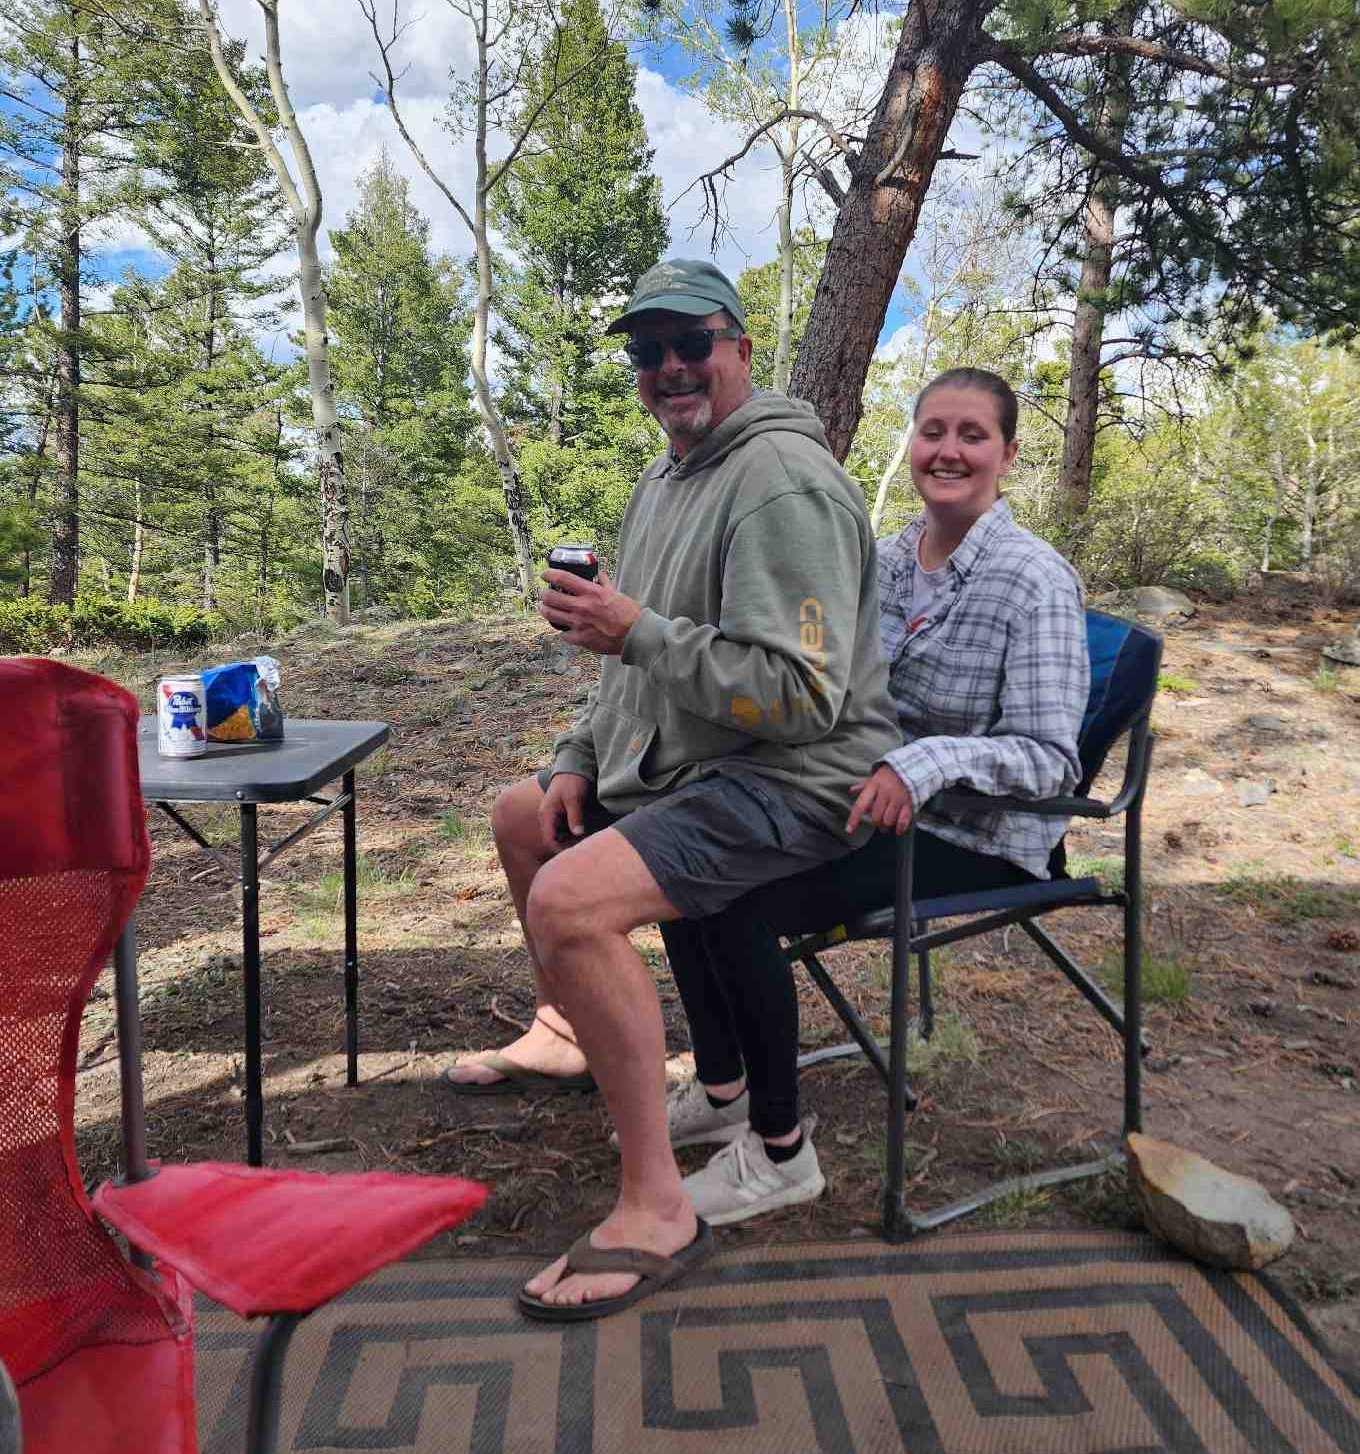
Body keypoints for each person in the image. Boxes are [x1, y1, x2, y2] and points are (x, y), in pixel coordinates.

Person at [447, 258, 900, 1319]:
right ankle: (569, 1029)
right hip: (699, 761)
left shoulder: (780, 480)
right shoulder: (665, 476)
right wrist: (571, 752)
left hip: (793, 777)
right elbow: (629, 663)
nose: (668, 367)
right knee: (523, 817)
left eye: (690, 342)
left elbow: (800, 696)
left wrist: (635, 629)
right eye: (646, 352)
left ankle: (656, 1205)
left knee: (571, 900)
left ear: (739, 346)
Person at [657, 365, 1092, 1227]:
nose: (949, 451)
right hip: (860, 794)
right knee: (681, 843)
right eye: (934, 431)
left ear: (1006, 453)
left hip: (974, 832)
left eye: (973, 435)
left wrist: (923, 765)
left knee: (731, 894)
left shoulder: (1033, 581)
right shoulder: (886, 555)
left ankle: (779, 1154)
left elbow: (1051, 762)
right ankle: (725, 1088)